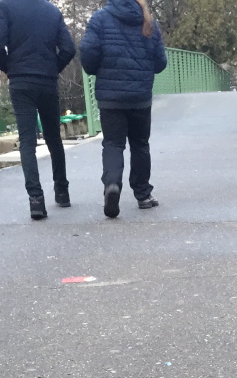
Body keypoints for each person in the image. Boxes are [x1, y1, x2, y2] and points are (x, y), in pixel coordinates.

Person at [0, 0, 75, 220]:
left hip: (20, 81)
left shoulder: (7, 7)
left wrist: (10, 68)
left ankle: (36, 199)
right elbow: (69, 49)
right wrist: (52, 68)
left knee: (27, 141)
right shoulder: (52, 11)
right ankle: (62, 191)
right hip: (47, 80)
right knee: (53, 138)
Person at [80, 0, 168, 218]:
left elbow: (88, 53)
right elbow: (160, 63)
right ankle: (143, 194)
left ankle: (112, 184)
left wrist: (97, 68)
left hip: (110, 97)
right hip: (140, 96)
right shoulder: (148, 21)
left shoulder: (100, 19)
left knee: (113, 143)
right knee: (140, 144)